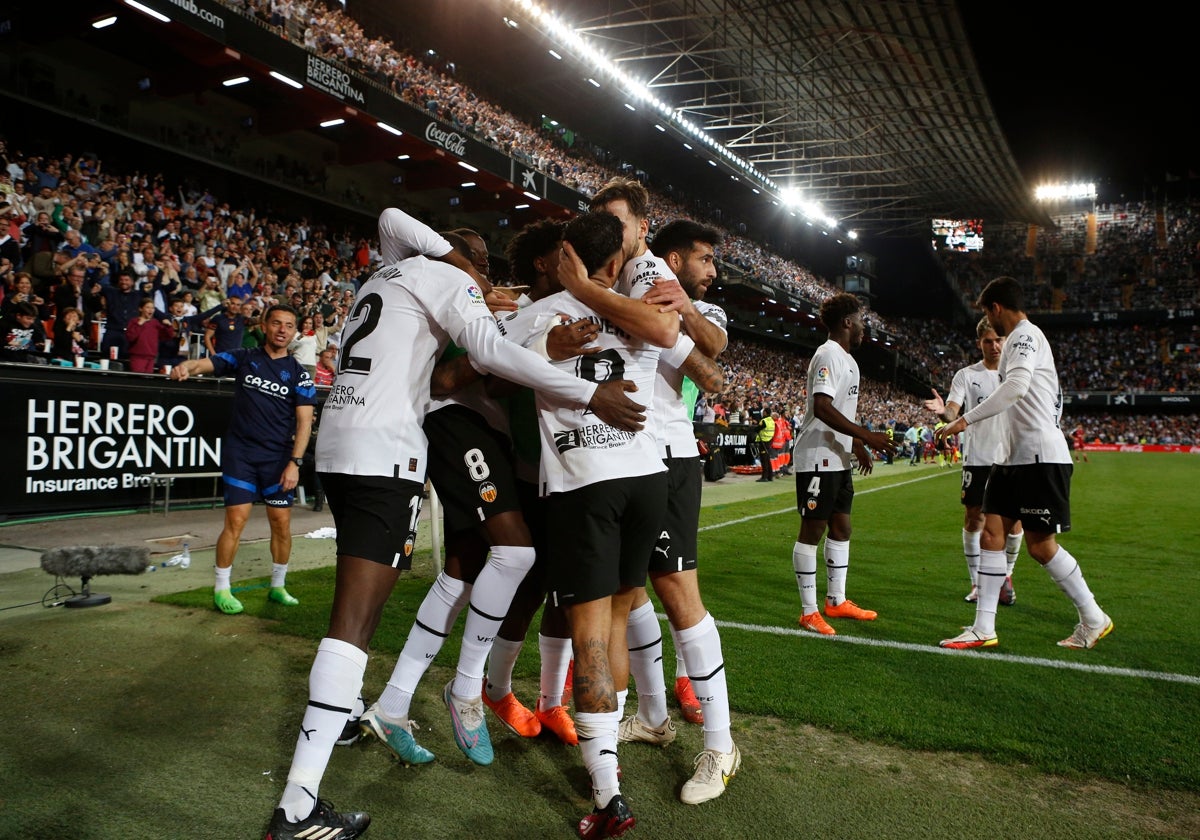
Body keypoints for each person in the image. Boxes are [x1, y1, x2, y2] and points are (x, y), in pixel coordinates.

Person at [262, 217, 647, 839]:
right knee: (354, 627)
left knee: (429, 584)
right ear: (456, 255)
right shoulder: (449, 277)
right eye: (479, 258)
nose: (486, 270)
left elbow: (390, 224)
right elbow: (487, 354)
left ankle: (371, 722)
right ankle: (299, 808)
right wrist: (588, 394)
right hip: (387, 451)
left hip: (339, 445)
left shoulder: (384, 274)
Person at [503, 211, 677, 837]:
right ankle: (610, 758)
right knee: (621, 619)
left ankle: (606, 800)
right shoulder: (641, 299)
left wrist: (553, 309)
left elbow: (490, 362)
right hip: (646, 481)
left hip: (585, 487)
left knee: (590, 637)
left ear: (569, 256)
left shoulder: (543, 310)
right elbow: (663, 328)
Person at [606, 213, 740, 806]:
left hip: (669, 453)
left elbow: (713, 355)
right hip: (623, 456)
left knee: (678, 594)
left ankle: (721, 743)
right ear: (678, 255)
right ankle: (655, 716)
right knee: (628, 589)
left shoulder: (691, 299)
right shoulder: (628, 278)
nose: (714, 271)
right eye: (707, 259)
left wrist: (682, 301)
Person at [936, 277, 1112, 650]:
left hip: (1037, 457)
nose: (990, 324)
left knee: (1040, 546)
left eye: (987, 313)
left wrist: (965, 419)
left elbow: (1015, 388)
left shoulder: (1024, 336)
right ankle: (983, 627)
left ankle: (1093, 617)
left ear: (996, 308)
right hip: (1012, 458)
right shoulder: (1023, 339)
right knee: (990, 534)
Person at [168, 304, 315, 615]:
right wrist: (186, 367)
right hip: (241, 455)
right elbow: (204, 364)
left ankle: (278, 585)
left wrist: (295, 463)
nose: (282, 330)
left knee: (282, 525)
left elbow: (305, 422)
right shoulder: (244, 358)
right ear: (264, 324)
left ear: (294, 331)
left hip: (278, 460)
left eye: (289, 325)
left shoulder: (300, 375)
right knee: (235, 521)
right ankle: (222, 588)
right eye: (276, 323)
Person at [791, 293, 897, 636]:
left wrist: (855, 446)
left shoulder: (848, 360)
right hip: (817, 456)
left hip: (837, 456)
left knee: (842, 527)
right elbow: (821, 407)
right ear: (847, 322)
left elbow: (840, 410)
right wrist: (865, 436)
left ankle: (836, 600)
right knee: (813, 530)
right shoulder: (828, 354)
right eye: (861, 321)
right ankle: (808, 612)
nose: (864, 328)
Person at [923, 317, 1023, 605]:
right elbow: (953, 412)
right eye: (988, 341)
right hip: (978, 458)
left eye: (998, 340)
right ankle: (978, 582)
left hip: (1012, 458)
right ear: (979, 343)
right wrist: (943, 412)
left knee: (1014, 523)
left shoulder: (1017, 374)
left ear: (1006, 340)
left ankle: (1006, 576)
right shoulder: (966, 375)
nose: (994, 346)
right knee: (973, 519)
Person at [125, 296, 174, 373]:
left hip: (151, 357)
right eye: (147, 307)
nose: (150, 310)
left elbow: (168, 336)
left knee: (148, 380)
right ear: (141, 309)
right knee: (138, 379)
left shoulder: (155, 323)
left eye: (152, 308)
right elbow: (130, 337)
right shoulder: (134, 321)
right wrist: (139, 325)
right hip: (138, 357)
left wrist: (168, 326)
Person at [755, 404, 776, 481]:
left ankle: (764, 477)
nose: (762, 413)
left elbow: (757, 429)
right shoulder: (772, 421)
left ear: (766, 413)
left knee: (764, 460)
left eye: (764, 412)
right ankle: (770, 476)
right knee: (767, 459)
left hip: (763, 441)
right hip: (769, 441)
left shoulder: (764, 421)